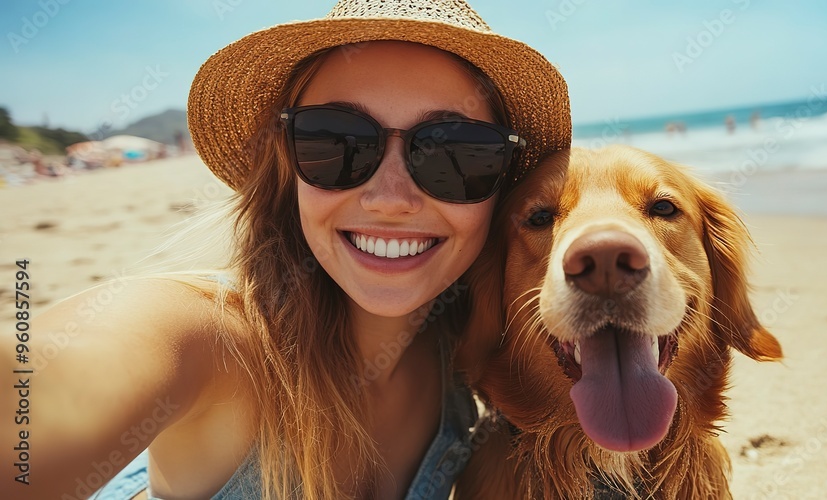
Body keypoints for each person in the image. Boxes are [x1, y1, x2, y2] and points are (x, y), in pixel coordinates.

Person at [3, 1, 570, 499]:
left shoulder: (468, 343)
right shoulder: (211, 338)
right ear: (287, 165)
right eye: (335, 142)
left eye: (457, 154)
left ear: (499, 187)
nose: (390, 198)